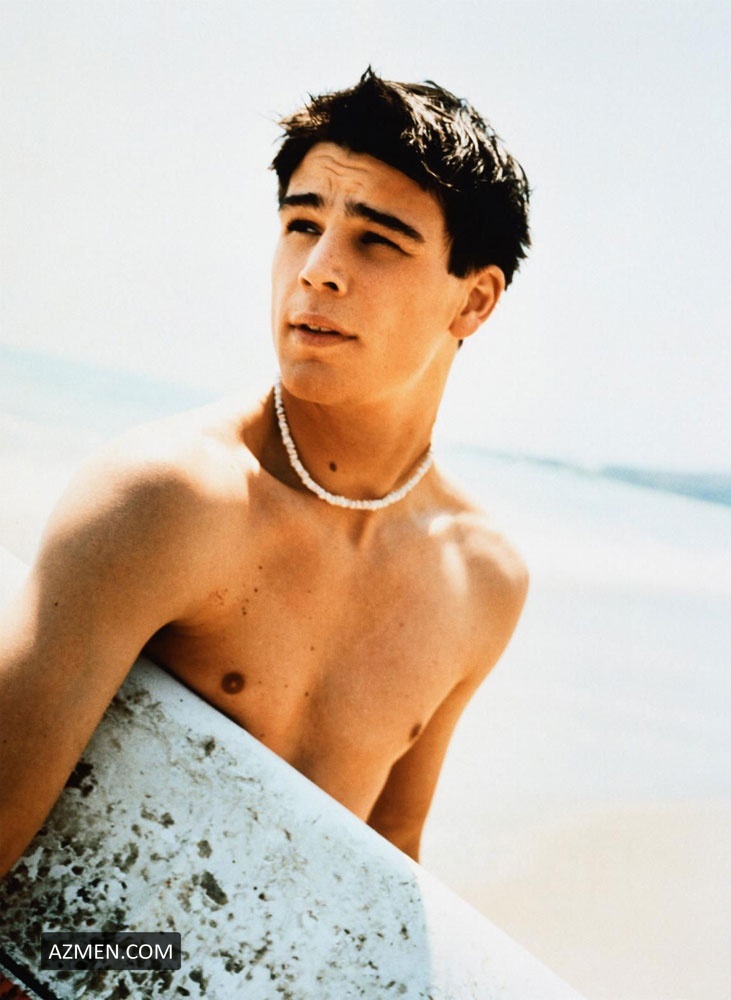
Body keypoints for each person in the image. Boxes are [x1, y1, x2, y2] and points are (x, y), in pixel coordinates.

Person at [0, 68, 531, 874]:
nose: (317, 268)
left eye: (377, 240)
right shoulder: (166, 497)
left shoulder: (482, 581)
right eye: (301, 224)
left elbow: (386, 863)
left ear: (474, 301)